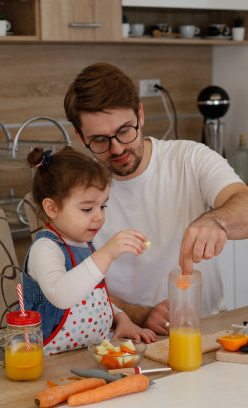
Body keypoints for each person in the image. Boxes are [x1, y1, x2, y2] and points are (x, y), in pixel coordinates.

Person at [64, 62, 248, 335]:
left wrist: (217, 221)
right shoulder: (73, 193)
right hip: (123, 340)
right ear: (79, 136)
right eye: (100, 140)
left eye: (125, 130)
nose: (118, 148)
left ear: (140, 114)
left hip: (205, 330)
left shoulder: (189, 158)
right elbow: (69, 288)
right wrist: (141, 314)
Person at [21, 146, 157, 355]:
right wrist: (107, 253)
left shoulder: (84, 245)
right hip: (44, 360)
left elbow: (95, 296)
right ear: (52, 208)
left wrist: (120, 317)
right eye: (87, 209)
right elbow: (62, 295)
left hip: (86, 354)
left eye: (103, 206)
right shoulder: (45, 248)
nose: (99, 217)